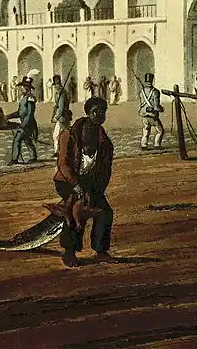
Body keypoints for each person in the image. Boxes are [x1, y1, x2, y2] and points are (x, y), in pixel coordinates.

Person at [54, 97, 115, 267]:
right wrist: (77, 185)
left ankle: (101, 251)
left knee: (104, 211)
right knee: (76, 208)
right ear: (88, 113)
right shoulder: (70, 134)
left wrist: (97, 191)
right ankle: (69, 251)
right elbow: (63, 164)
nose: (99, 115)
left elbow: (105, 172)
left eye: (103, 112)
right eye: (95, 111)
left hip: (90, 183)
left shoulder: (106, 143)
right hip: (67, 181)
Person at [8, 77, 38, 165]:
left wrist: (23, 125)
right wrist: (9, 116)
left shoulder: (30, 99)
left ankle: (14, 159)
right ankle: (33, 157)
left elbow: (29, 114)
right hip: (25, 123)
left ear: (27, 88)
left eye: (23, 86)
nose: (21, 88)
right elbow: (20, 112)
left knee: (17, 139)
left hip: (28, 124)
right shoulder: (23, 98)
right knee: (27, 140)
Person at [138, 73, 165, 150]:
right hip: (152, 115)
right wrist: (161, 109)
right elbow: (156, 106)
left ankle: (144, 145)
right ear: (152, 80)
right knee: (160, 131)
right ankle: (157, 145)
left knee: (146, 130)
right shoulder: (155, 91)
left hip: (144, 115)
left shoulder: (141, 91)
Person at [51, 75, 73, 157]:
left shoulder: (62, 94)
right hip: (63, 117)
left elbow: (61, 107)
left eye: (56, 85)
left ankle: (58, 152)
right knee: (63, 134)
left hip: (62, 117)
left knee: (57, 135)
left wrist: (55, 117)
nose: (55, 87)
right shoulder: (61, 93)